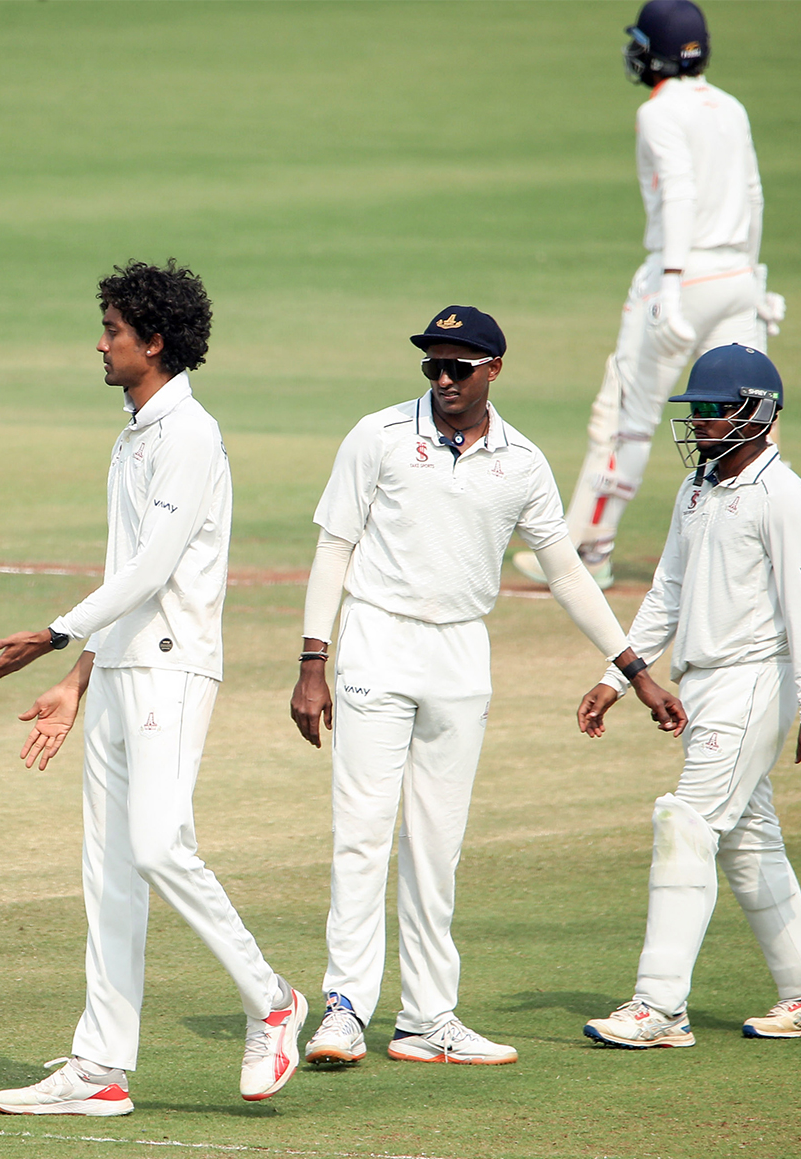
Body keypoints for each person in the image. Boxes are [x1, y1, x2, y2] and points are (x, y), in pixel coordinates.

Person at [291, 306, 686, 1070]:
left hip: (462, 655)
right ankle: (344, 1009)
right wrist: (313, 662)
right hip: (378, 640)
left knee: (438, 845)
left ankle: (428, 1019)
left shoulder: (523, 463)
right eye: (432, 367)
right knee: (362, 835)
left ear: (493, 371)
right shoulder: (376, 437)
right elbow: (334, 544)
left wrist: (634, 670)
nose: (442, 380)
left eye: (457, 367)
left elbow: (566, 571)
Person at [0, 261, 306, 1115]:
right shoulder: (137, 432)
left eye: (113, 330)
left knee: (156, 847)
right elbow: (130, 574)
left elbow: (154, 570)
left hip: (172, 668)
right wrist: (81, 677)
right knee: (111, 871)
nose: (101, 342)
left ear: (154, 341)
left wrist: (53, 636)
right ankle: (100, 1067)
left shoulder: (188, 435)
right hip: (119, 671)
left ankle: (273, 1000)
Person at [579, 344, 801, 1048]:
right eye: (695, 409)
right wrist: (619, 676)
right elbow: (668, 591)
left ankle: (659, 1007)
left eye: (714, 408)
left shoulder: (784, 498)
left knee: (686, 823)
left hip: (755, 680)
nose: (700, 421)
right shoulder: (698, 487)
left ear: (759, 412)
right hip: (704, 686)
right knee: (748, 846)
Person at [512, 0, 786, 590]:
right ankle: (758, 551)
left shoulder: (658, 112)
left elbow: (680, 194)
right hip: (737, 277)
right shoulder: (731, 108)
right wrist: (756, 279)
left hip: (681, 279)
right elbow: (755, 195)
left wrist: (669, 283)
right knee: (751, 414)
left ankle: (592, 551)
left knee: (628, 421)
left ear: (654, 53)